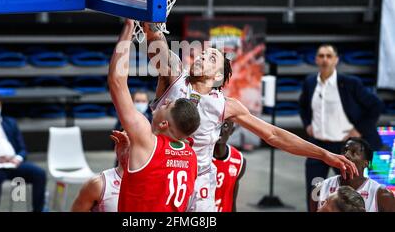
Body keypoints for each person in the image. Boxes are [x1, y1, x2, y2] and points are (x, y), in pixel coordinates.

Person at [142, 23, 357, 212]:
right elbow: (155, 42)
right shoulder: (174, 77)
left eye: (211, 58)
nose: (202, 57)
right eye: (202, 54)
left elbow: (273, 135)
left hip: (198, 183)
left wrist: (324, 155)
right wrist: (153, 18)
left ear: (217, 76)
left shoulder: (226, 106)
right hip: (159, 172)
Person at [108, 19, 201, 212]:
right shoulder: (191, 156)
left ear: (165, 123)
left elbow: (117, 82)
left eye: (167, 104)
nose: (164, 101)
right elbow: (151, 182)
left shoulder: (147, 140)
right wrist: (126, 158)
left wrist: (128, 28)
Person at [299, 44, 385, 210]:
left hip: (343, 147)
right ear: (316, 59)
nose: (325, 59)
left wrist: (359, 129)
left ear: (336, 60)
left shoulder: (350, 83)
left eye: (329, 56)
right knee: (314, 190)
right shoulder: (310, 83)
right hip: (317, 145)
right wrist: (307, 124)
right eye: (321, 56)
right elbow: (303, 106)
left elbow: (376, 105)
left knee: (350, 192)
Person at [312, 137, 395, 212]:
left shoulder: (383, 195)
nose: (346, 155)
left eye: (354, 152)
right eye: (345, 151)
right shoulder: (319, 188)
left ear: (366, 163)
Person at [71, 130, 129, 212]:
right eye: (124, 143)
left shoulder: (152, 182)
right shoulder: (98, 185)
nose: (127, 149)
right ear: (116, 147)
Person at [213, 121, 246, 212]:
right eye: (217, 124)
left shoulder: (239, 160)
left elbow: (232, 201)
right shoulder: (199, 156)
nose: (220, 130)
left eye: (226, 125)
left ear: (232, 130)